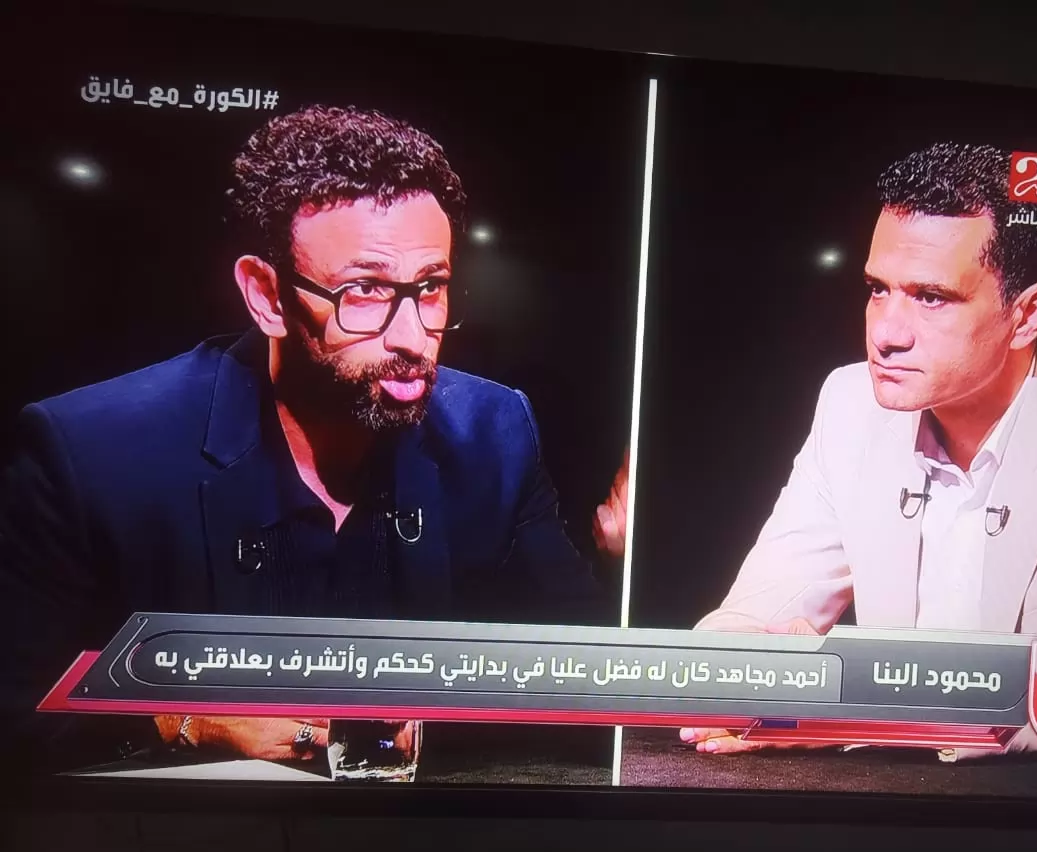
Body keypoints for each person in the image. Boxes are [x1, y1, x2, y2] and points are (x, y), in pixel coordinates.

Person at [0, 105, 613, 769]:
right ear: (267, 297)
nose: (413, 338)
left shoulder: (493, 431)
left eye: (431, 288)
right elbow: (14, 708)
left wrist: (621, 558)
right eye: (365, 291)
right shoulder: (92, 450)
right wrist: (181, 721)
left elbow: (583, 679)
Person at [678, 142, 1037, 769]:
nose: (886, 334)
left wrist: (855, 704)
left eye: (930, 297)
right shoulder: (849, 403)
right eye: (878, 290)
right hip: (899, 797)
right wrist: (756, 679)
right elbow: (740, 632)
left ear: (1027, 315)